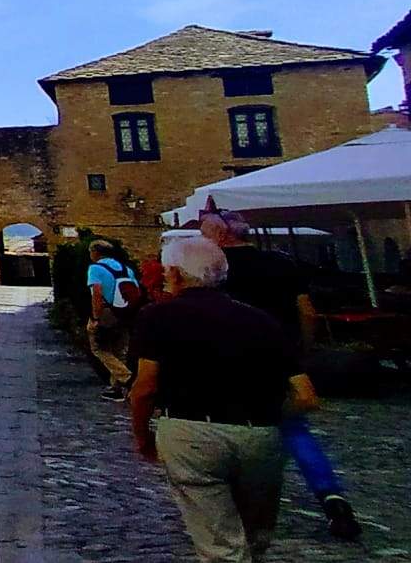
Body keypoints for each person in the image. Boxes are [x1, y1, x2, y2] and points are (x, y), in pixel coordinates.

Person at [130, 235, 318, 562]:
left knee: (220, 546)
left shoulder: (157, 317)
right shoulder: (263, 321)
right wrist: (270, 416)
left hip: (191, 433)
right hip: (260, 434)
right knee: (254, 537)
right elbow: (306, 396)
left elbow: (144, 388)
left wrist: (143, 435)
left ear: (174, 273)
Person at [200, 207, 361, 541]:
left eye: (205, 231)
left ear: (221, 234)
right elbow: (307, 310)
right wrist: (301, 350)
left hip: (228, 364)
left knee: (231, 433)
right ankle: (332, 497)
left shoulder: (214, 269)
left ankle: (240, 509)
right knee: (296, 431)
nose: (203, 238)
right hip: (281, 359)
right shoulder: (282, 263)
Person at [85, 239, 140, 401]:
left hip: (106, 312)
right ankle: (115, 389)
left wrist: (95, 317)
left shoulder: (95, 268)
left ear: (96, 252)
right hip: (125, 313)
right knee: (119, 350)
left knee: (99, 348)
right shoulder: (126, 269)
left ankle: (129, 379)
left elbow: (97, 292)